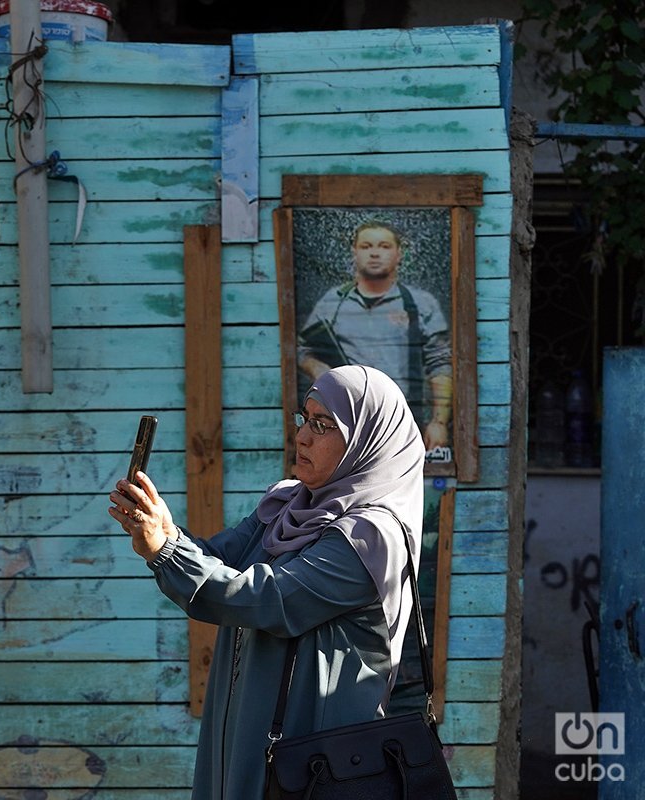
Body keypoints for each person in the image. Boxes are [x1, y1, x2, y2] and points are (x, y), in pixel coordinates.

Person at [109, 365, 425, 800]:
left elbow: (266, 599)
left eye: (323, 424)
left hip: (316, 761)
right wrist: (165, 530)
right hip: (246, 739)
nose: (303, 436)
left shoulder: (371, 537)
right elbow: (221, 559)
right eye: (304, 418)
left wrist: (165, 550)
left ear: (367, 441)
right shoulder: (287, 504)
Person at [297, 220, 453, 452]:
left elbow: (440, 363)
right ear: (355, 253)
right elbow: (300, 351)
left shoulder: (421, 303)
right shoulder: (332, 303)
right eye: (366, 246)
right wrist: (317, 368)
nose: (375, 253)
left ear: (399, 254)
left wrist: (439, 422)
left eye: (384, 246)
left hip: (403, 424)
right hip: (343, 426)